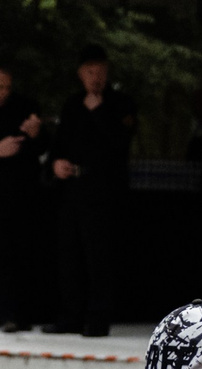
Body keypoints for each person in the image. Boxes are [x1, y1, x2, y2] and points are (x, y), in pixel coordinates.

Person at [46, 46, 138, 338]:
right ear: (80, 74)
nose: (95, 78)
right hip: (72, 189)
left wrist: (97, 110)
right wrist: (55, 164)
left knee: (98, 257)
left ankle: (98, 319)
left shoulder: (120, 104)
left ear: (107, 73)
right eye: (89, 72)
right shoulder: (72, 105)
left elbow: (119, 143)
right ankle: (69, 317)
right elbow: (59, 144)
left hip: (103, 191)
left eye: (100, 72)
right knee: (69, 254)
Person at [0, 65, 46, 332]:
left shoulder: (23, 106)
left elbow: (40, 147)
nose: (3, 93)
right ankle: (4, 314)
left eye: (7, 87)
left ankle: (24, 314)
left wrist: (36, 134)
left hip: (22, 195)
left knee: (23, 255)